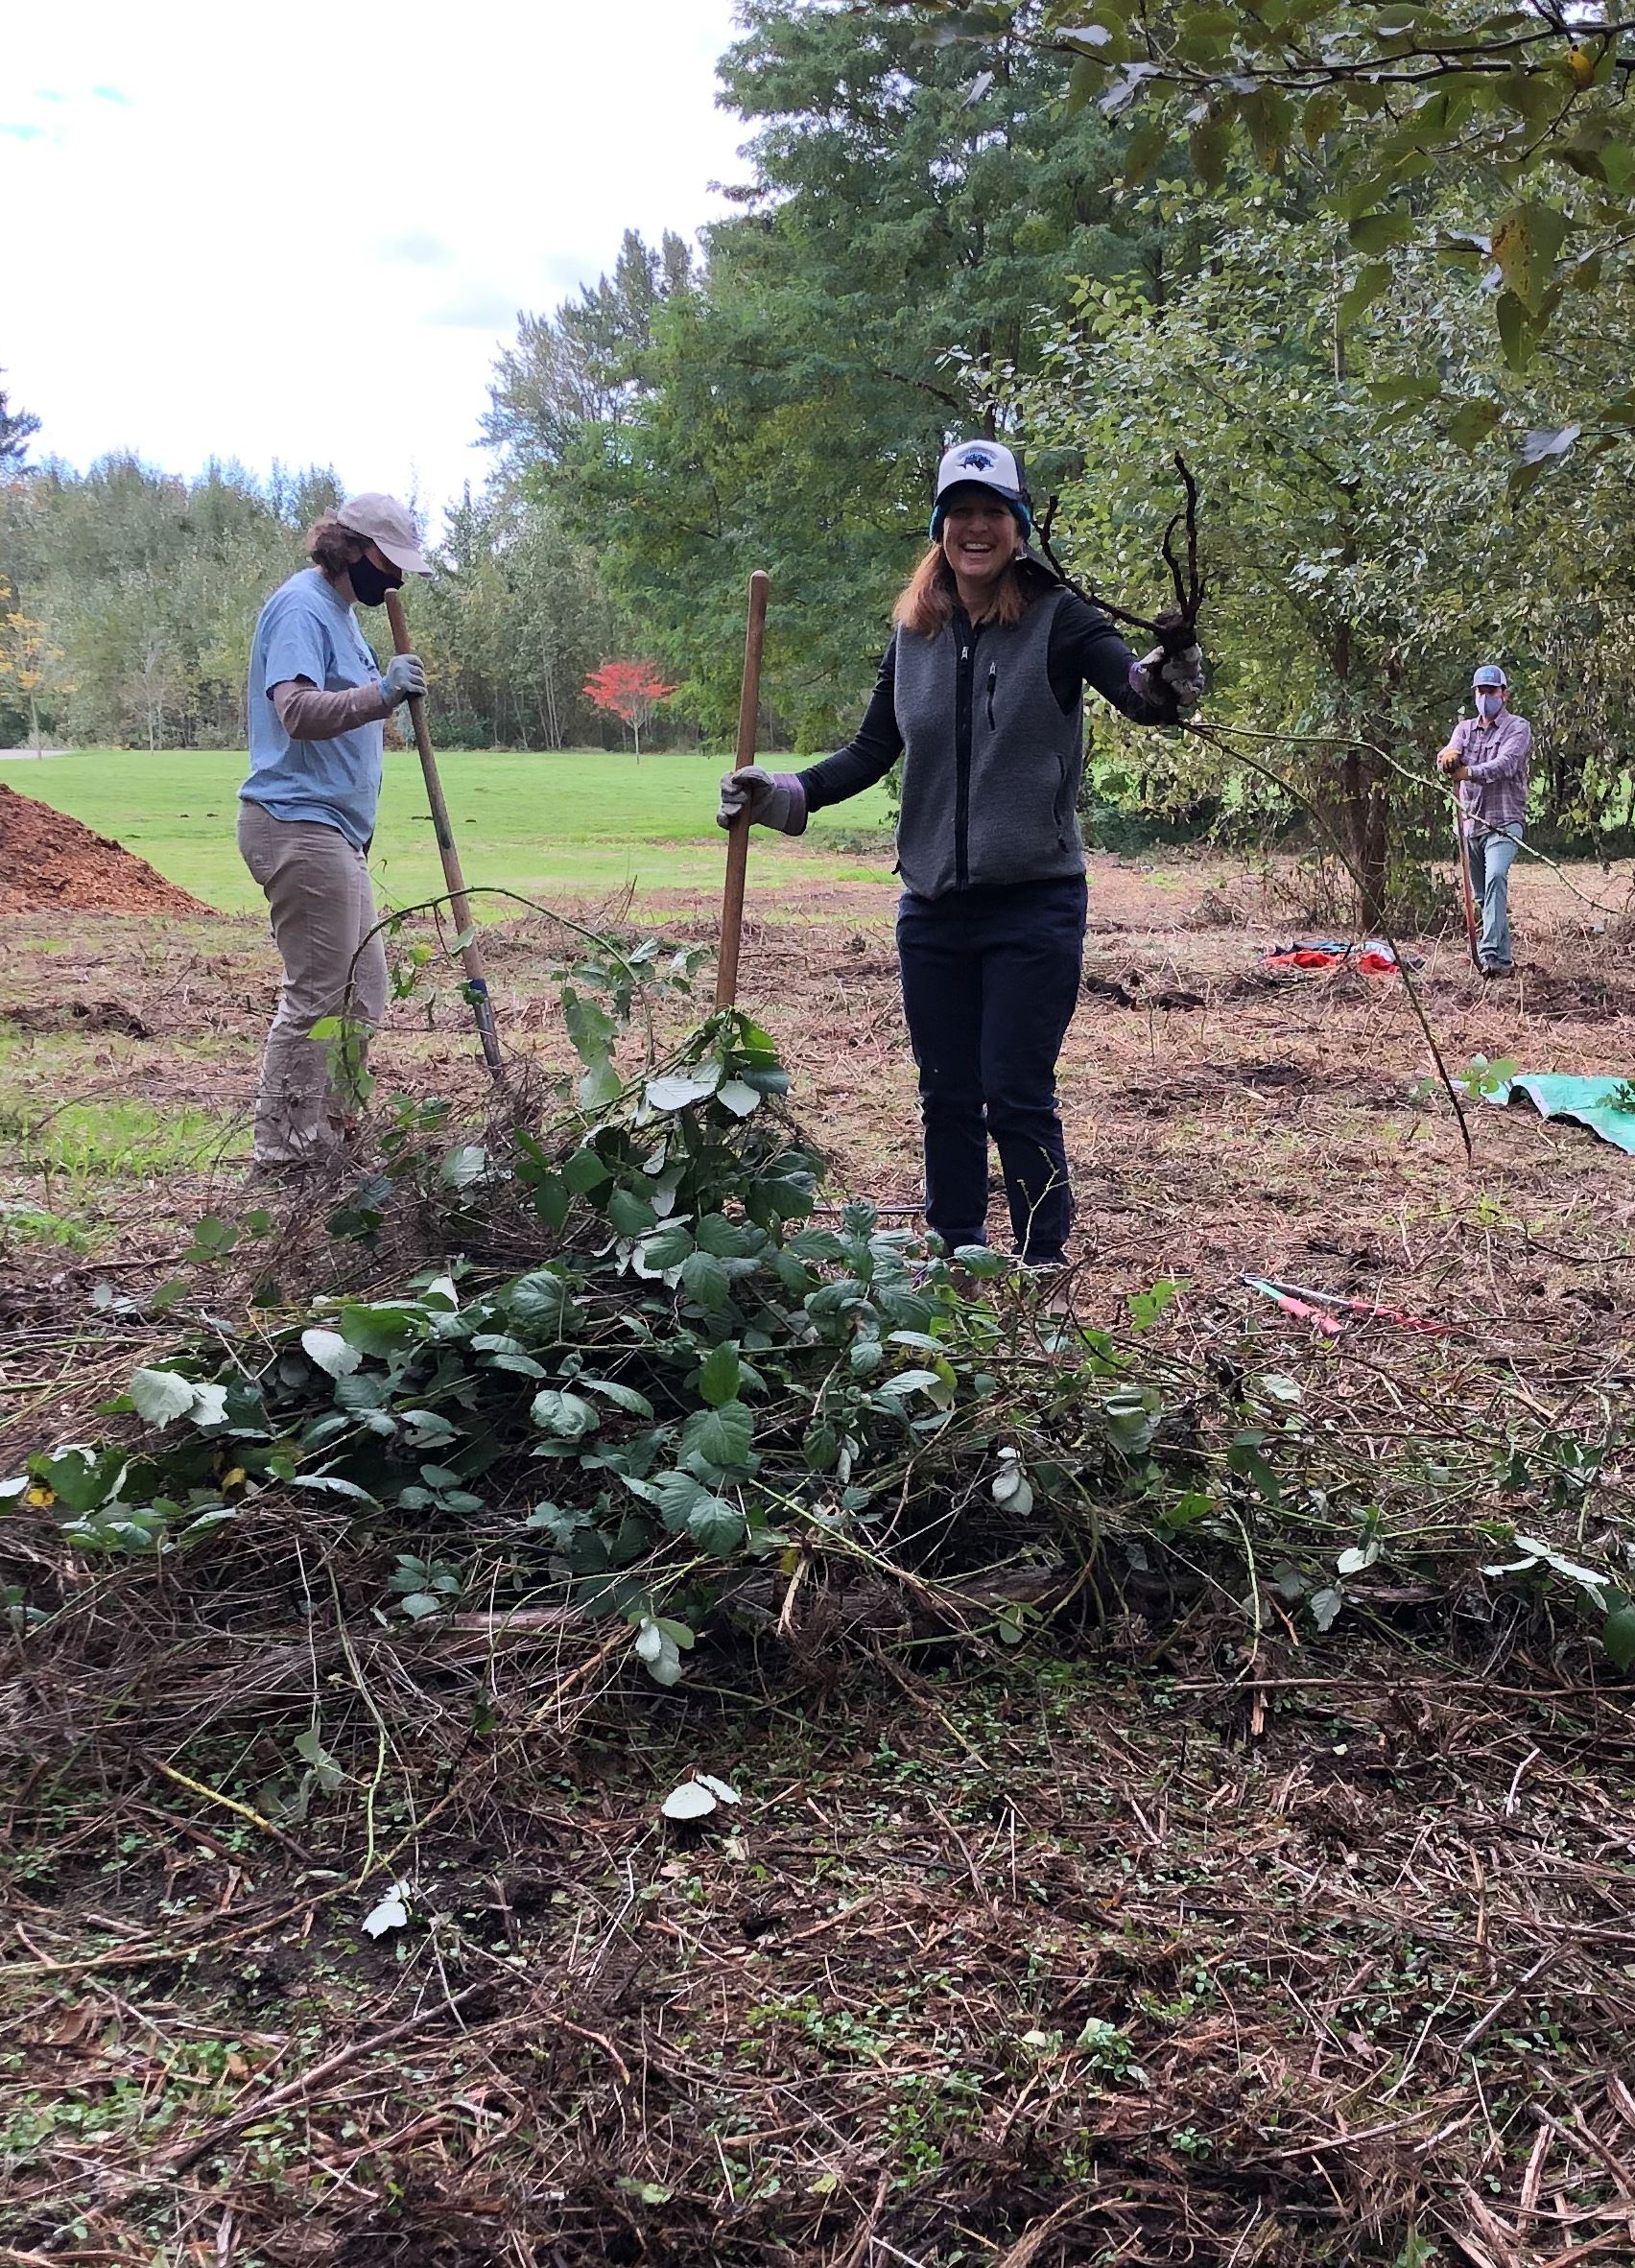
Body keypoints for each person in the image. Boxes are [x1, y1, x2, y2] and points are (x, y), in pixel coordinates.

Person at [718, 438, 1202, 1270]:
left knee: (1015, 1093)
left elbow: (1140, 695)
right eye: (961, 513)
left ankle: (1043, 1260)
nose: (976, 528)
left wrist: (1172, 668)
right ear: (940, 526)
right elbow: (872, 752)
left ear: (1018, 527)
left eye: (993, 513)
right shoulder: (915, 632)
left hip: (1033, 903)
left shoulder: (1061, 619)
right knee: (946, 1093)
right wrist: (779, 793)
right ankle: (955, 1255)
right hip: (933, 907)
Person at [239, 494, 432, 1165]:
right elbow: (294, 711)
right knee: (320, 994)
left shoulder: (343, 616)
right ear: (352, 549)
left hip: (335, 832)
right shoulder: (303, 607)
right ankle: (286, 1153)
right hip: (297, 822)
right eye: (389, 561)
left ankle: (332, 1137)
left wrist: (386, 694)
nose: (397, 577)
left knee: (363, 989)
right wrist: (381, 694)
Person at [1437, 664, 1529, 979]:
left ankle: (1488, 954)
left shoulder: (1518, 727)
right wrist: (1448, 758)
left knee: (1496, 878)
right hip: (1471, 823)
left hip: (1504, 821)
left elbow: (1506, 763)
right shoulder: (1464, 729)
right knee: (1483, 895)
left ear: (1504, 694)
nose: (1485, 697)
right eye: (1481, 691)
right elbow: (1447, 756)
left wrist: (1469, 772)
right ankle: (1503, 962)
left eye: (1491, 691)